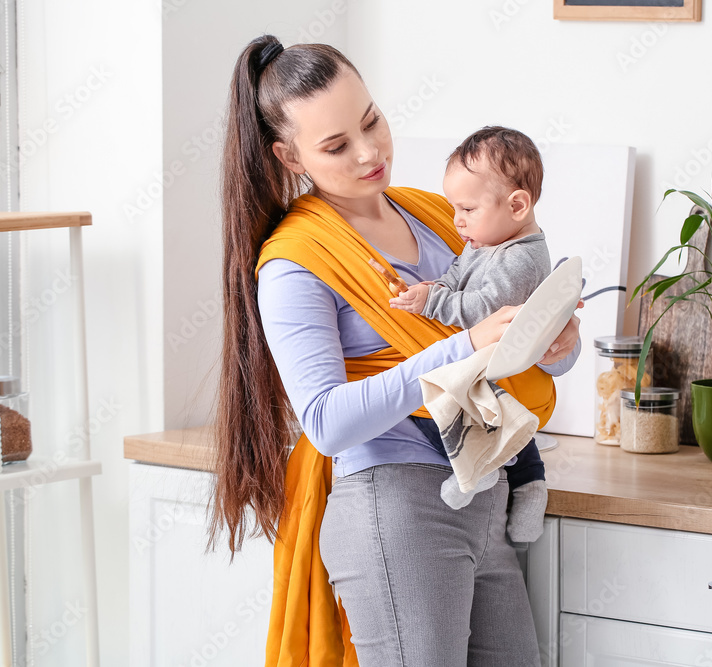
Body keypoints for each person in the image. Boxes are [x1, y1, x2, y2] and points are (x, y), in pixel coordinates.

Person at [207, 35, 582, 667]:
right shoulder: (295, 264)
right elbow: (326, 421)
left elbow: (512, 359)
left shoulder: (443, 217)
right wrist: (468, 342)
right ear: (288, 155)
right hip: (400, 508)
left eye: (371, 120)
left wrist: (555, 345)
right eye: (335, 145)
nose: (369, 152)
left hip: (486, 494)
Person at [389, 126, 563, 543]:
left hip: (503, 361)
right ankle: (526, 483)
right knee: (493, 418)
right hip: (488, 361)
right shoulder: (484, 242)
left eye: (466, 209)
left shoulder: (521, 258)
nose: (456, 220)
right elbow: (456, 274)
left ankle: (482, 469)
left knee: (453, 401)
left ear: (517, 205)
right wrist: (433, 288)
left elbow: (485, 310)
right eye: (454, 208)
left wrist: (433, 305)